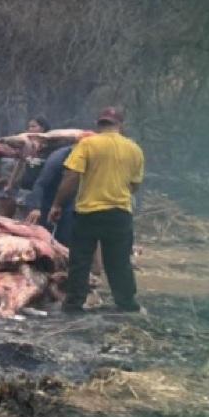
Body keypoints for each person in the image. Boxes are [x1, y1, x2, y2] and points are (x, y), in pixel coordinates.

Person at [50, 107, 144, 314]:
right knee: (119, 261)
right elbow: (134, 185)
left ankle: (73, 305)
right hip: (120, 213)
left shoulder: (88, 144)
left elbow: (72, 176)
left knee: (80, 261)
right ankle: (127, 303)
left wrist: (57, 204)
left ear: (99, 123)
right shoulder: (134, 149)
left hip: (89, 213)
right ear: (120, 125)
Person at [25, 144, 76, 246]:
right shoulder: (58, 158)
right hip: (48, 199)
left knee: (66, 237)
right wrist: (36, 207)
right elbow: (41, 183)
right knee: (43, 236)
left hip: (70, 201)